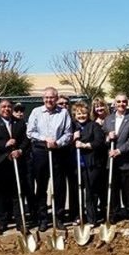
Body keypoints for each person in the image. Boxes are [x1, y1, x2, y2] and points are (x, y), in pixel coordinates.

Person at [27, 87, 72, 231]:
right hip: (40, 152)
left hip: (58, 152)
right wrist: (45, 139)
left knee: (59, 186)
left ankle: (58, 217)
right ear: (43, 99)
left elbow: (68, 133)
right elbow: (30, 132)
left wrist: (58, 143)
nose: (49, 100)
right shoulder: (36, 112)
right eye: (46, 97)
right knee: (41, 186)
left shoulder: (63, 113)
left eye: (52, 97)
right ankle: (42, 218)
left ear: (56, 98)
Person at [0, 99, 31, 234]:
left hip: (16, 163)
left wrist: (20, 150)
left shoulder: (20, 123)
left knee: (17, 194)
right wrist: (5, 143)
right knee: (0, 195)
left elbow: (26, 140)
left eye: (9, 107)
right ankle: (2, 222)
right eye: (3, 107)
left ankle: (20, 222)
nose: (6, 109)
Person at [103, 92, 129, 225]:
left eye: (124, 102)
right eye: (118, 102)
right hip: (112, 162)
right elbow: (104, 139)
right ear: (114, 104)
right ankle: (114, 213)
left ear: (127, 103)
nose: (121, 104)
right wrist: (108, 138)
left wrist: (119, 151)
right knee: (113, 189)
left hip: (127, 161)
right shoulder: (108, 119)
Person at [71, 101, 106, 226]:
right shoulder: (73, 127)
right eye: (79, 114)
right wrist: (73, 139)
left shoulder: (93, 126)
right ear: (75, 115)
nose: (81, 116)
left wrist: (85, 145)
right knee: (77, 191)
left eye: (84, 113)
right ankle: (79, 216)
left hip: (91, 164)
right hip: (76, 165)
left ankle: (92, 218)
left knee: (90, 192)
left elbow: (99, 142)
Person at [56, 95, 79, 224]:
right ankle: (59, 215)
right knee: (59, 187)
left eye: (66, 103)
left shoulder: (74, 121)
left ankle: (74, 213)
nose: (64, 105)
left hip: (73, 157)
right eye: (60, 103)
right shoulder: (56, 121)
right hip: (59, 157)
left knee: (74, 186)